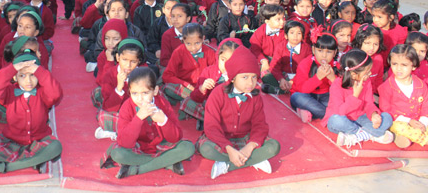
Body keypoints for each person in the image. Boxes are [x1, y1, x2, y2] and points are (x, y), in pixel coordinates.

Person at [197, 47, 280, 179]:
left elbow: (260, 125)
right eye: (244, 77)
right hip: (221, 138)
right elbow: (211, 127)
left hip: (245, 137)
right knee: (206, 149)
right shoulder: (218, 94)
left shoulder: (255, 96)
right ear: (233, 78)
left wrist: (250, 147)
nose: (250, 82)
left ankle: (226, 165)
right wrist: (228, 148)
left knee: (274, 146)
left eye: (254, 77)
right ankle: (254, 160)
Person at [0, 43, 63, 175]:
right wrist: (13, 68)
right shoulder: (9, 92)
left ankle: (6, 167)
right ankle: (35, 162)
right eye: (22, 76)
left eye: (32, 75)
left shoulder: (43, 93)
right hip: (12, 142)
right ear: (14, 77)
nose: (28, 81)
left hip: (38, 141)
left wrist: (38, 70)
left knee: (56, 147)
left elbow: (56, 93)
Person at [101, 67, 194, 178]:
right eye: (134, 93)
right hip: (137, 146)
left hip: (162, 144)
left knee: (188, 147)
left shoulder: (163, 103)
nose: (140, 98)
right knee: (117, 154)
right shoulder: (126, 107)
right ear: (129, 91)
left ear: (155, 91)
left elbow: (176, 137)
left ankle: (135, 169)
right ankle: (167, 162)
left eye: (145, 93)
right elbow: (125, 143)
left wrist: (163, 121)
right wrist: (138, 118)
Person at [323, 49, 394, 147]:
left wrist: (374, 114)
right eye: (367, 72)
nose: (370, 74)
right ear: (353, 74)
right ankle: (369, 134)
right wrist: (355, 96)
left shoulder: (367, 81)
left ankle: (358, 136)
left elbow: (369, 104)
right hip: (343, 119)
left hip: (360, 117)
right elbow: (340, 112)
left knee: (387, 117)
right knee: (335, 120)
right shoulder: (337, 85)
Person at [378, 44, 428, 148]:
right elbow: (386, 109)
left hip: (419, 120)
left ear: (413, 66)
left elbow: (425, 106)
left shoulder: (421, 85)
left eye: (404, 65)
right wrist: (408, 121)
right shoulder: (387, 87)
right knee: (398, 127)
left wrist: (423, 122)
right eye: (395, 64)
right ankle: (403, 136)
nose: (399, 69)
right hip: (399, 121)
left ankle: (410, 137)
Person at [290, 33, 338, 122]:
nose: (324, 55)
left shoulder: (337, 65)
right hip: (308, 95)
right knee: (296, 97)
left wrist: (333, 79)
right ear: (313, 49)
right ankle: (330, 116)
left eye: (329, 52)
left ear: (334, 53)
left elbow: (342, 92)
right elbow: (302, 90)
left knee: (340, 102)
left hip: (326, 97)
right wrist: (318, 77)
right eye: (320, 51)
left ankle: (313, 113)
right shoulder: (305, 63)